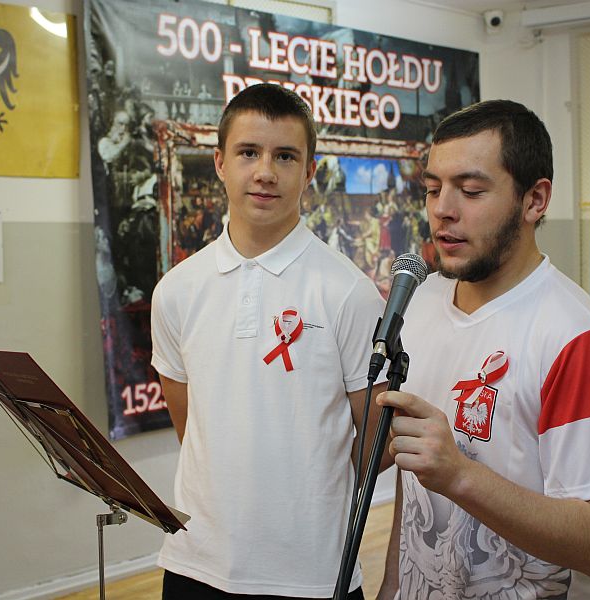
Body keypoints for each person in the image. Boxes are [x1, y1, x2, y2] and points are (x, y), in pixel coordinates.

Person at [376, 100, 590, 600]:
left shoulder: (575, 336)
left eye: (471, 190)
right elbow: (415, 489)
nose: (443, 209)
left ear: (534, 200)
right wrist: (392, 587)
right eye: (433, 188)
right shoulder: (422, 302)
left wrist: (460, 476)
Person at [150, 83, 388, 599]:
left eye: (285, 156)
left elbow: (374, 440)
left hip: (313, 571)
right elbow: (190, 424)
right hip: (196, 563)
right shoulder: (176, 291)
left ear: (309, 171)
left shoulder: (348, 292)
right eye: (248, 152)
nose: (265, 172)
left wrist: (307, 491)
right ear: (219, 162)